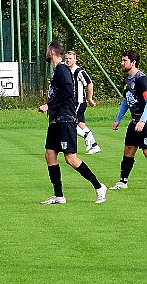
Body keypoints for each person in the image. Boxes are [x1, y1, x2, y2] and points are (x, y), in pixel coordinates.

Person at [38, 41, 106, 204]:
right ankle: (59, 196)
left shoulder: (62, 69)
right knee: (50, 154)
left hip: (65, 120)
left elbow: (69, 92)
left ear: (52, 51)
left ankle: (98, 187)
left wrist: (49, 105)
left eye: (48, 49)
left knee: (71, 158)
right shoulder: (56, 71)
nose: (46, 52)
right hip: (55, 120)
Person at [110, 50, 147, 189]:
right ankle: (123, 181)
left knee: (146, 151)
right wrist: (118, 119)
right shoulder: (127, 80)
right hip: (134, 122)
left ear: (133, 62)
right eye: (122, 60)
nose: (122, 63)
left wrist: (142, 121)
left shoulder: (142, 80)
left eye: (125, 60)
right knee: (128, 150)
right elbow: (126, 100)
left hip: (145, 122)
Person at [65, 50, 101, 154]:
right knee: (80, 124)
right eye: (66, 58)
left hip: (79, 102)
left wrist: (90, 99)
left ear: (75, 59)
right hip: (73, 103)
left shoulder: (79, 71)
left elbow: (89, 84)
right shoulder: (67, 70)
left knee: (70, 122)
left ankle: (87, 136)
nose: (68, 60)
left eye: (70, 58)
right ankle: (94, 146)